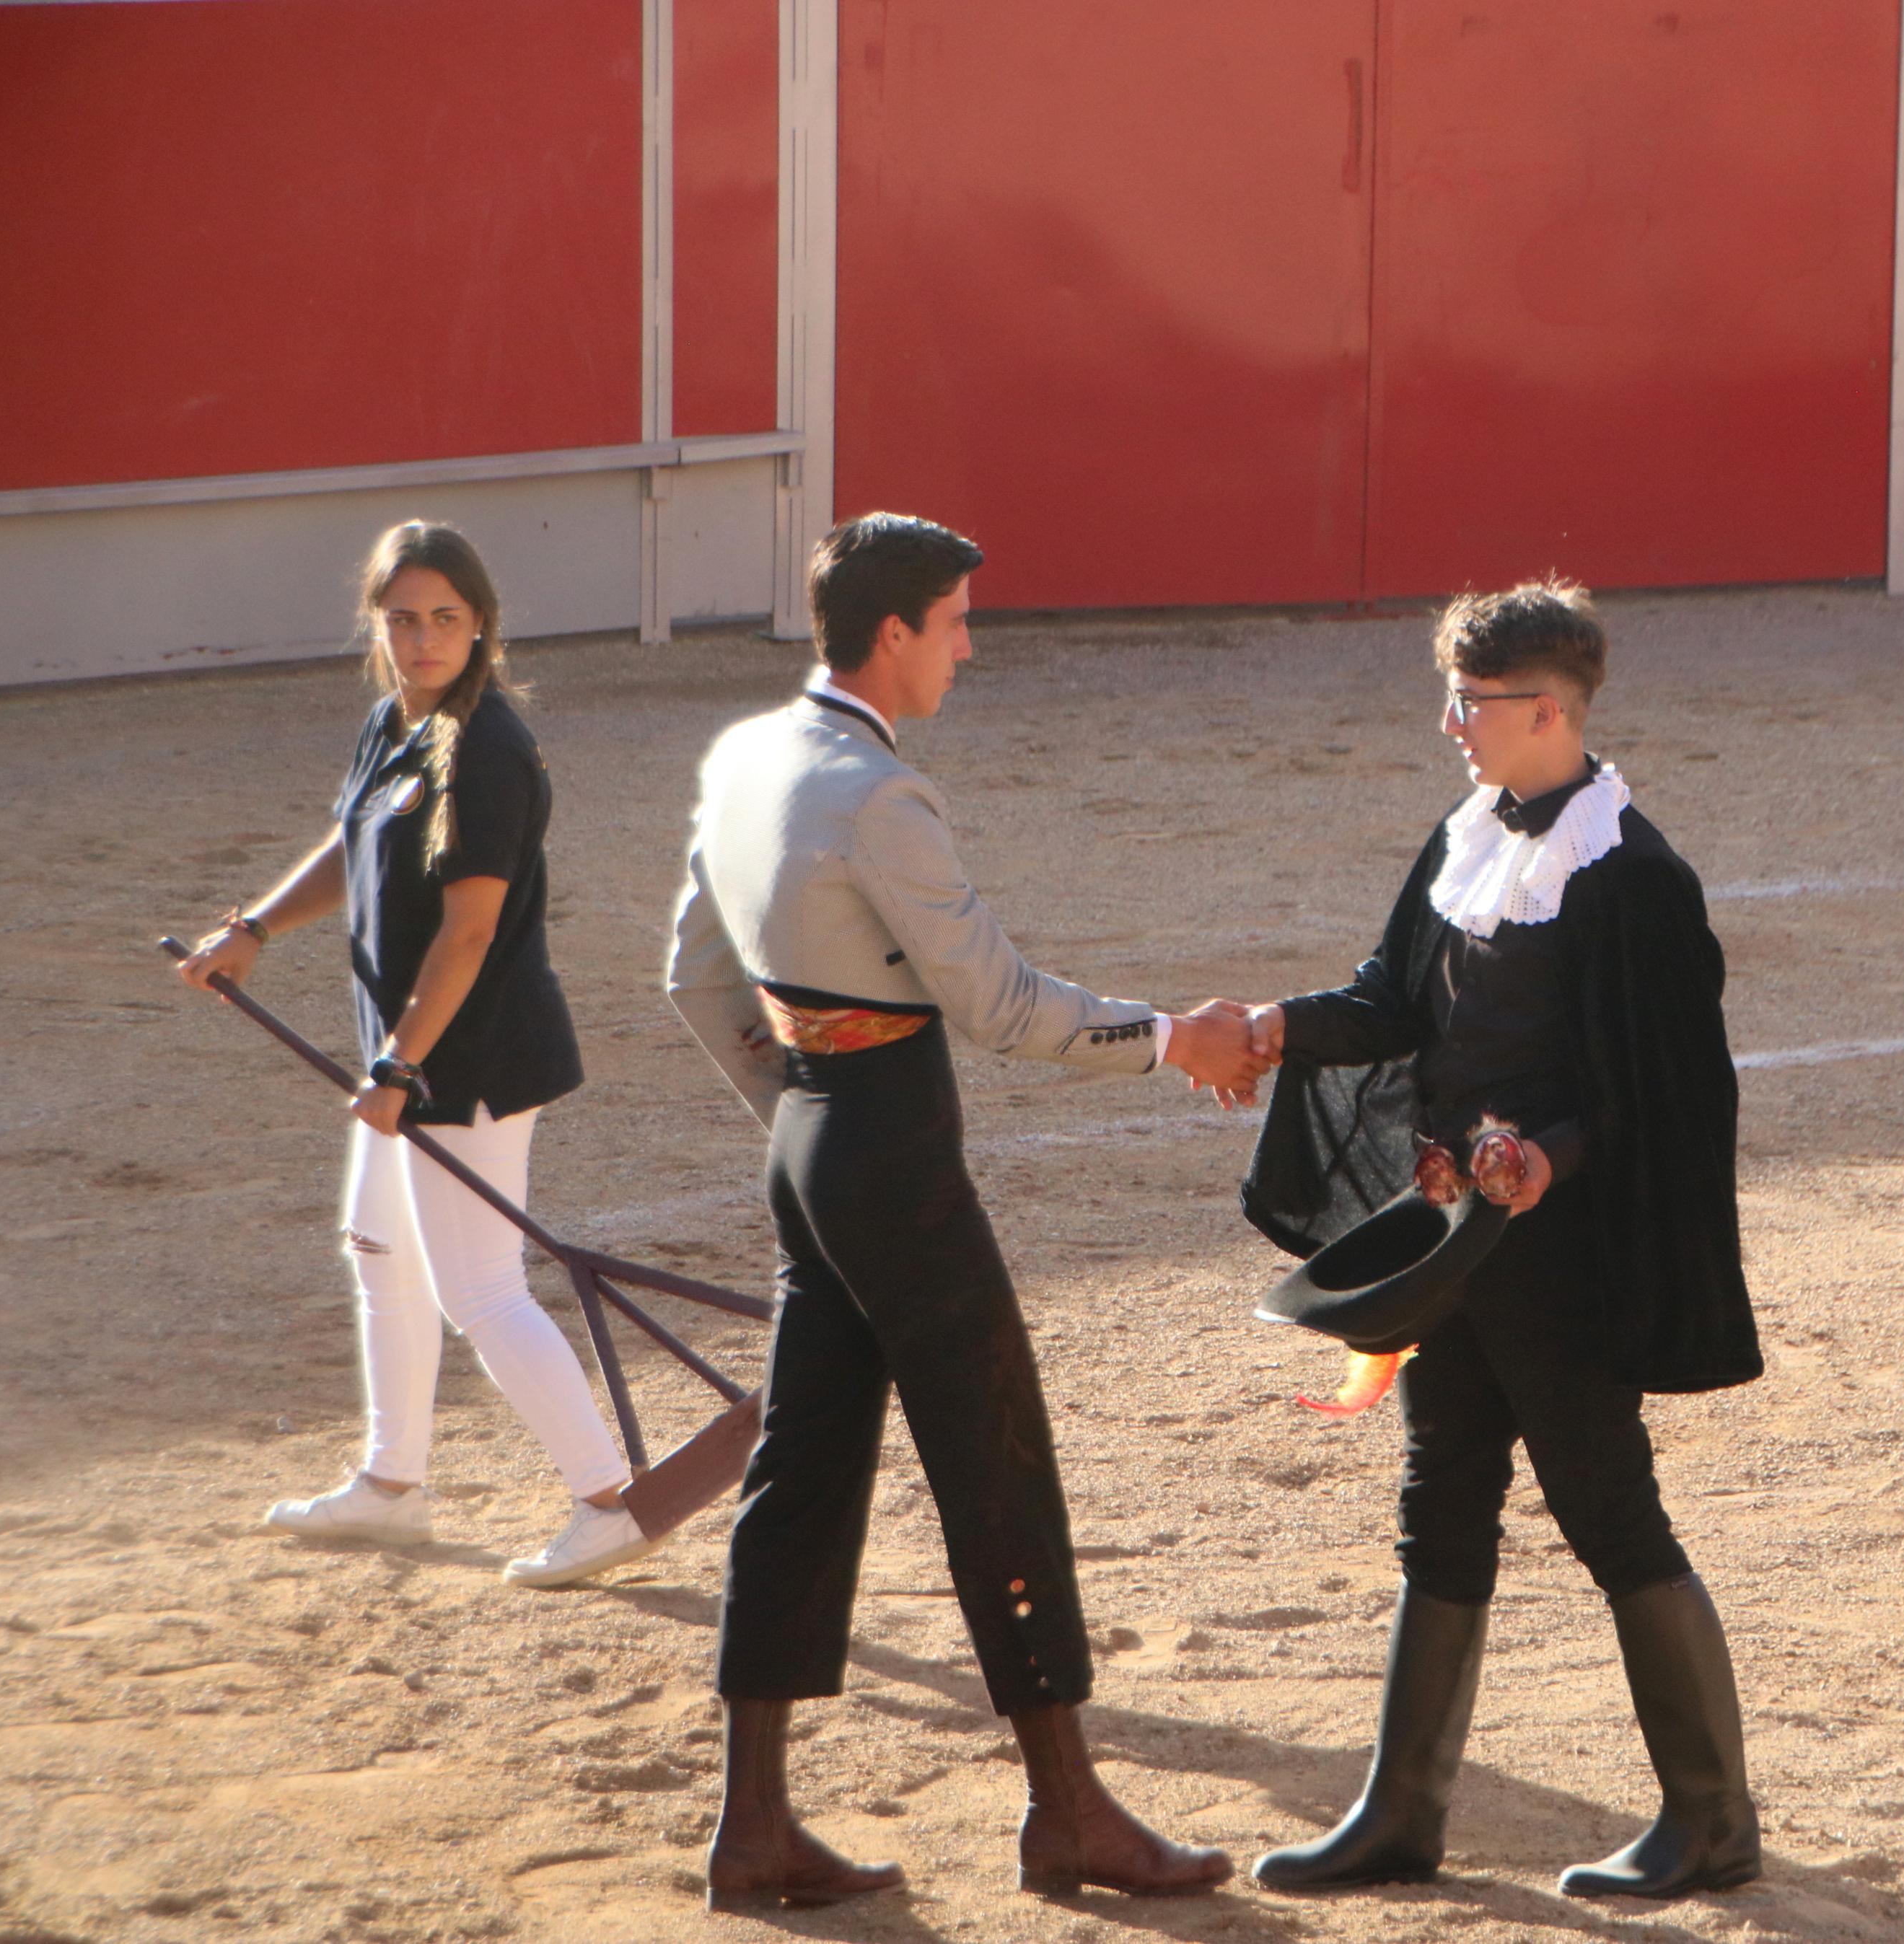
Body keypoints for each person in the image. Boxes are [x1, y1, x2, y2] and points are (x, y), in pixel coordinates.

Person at [665, 512, 1265, 1912]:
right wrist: (1179, 1035)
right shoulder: (882, 798)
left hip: (814, 1144)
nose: (967, 646)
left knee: (803, 1471)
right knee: (994, 1457)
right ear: (893, 635)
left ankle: (753, 1825)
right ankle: (1065, 1812)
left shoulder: (746, 759)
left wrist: (804, 1112)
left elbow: (696, 982)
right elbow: (998, 1005)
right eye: (954, 622)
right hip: (890, 1159)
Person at [1234, 580, 1765, 1899]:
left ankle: (1712, 1821)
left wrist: (1547, 1158)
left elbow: (1669, 1097)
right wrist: (1271, 1025)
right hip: (1454, 1245)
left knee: (1610, 1513)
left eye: (1468, 705)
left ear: (1545, 713)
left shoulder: (1636, 878)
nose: (1448, 726)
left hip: (1563, 1260)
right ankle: (1401, 1815)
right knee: (1439, 1505)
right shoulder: (1464, 833)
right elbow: (1389, 1000)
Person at [175, 520, 655, 1591]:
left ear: (479, 623)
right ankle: (394, 1486)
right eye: (403, 619)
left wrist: (399, 1067)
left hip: (467, 1055)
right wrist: (252, 930)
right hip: (412, 1053)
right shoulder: (396, 722)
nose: (423, 637)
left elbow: (470, 930)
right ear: (378, 625)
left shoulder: (488, 749)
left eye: (444, 618)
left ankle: (608, 1502)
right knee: (377, 1249)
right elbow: (354, 844)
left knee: (481, 1289)